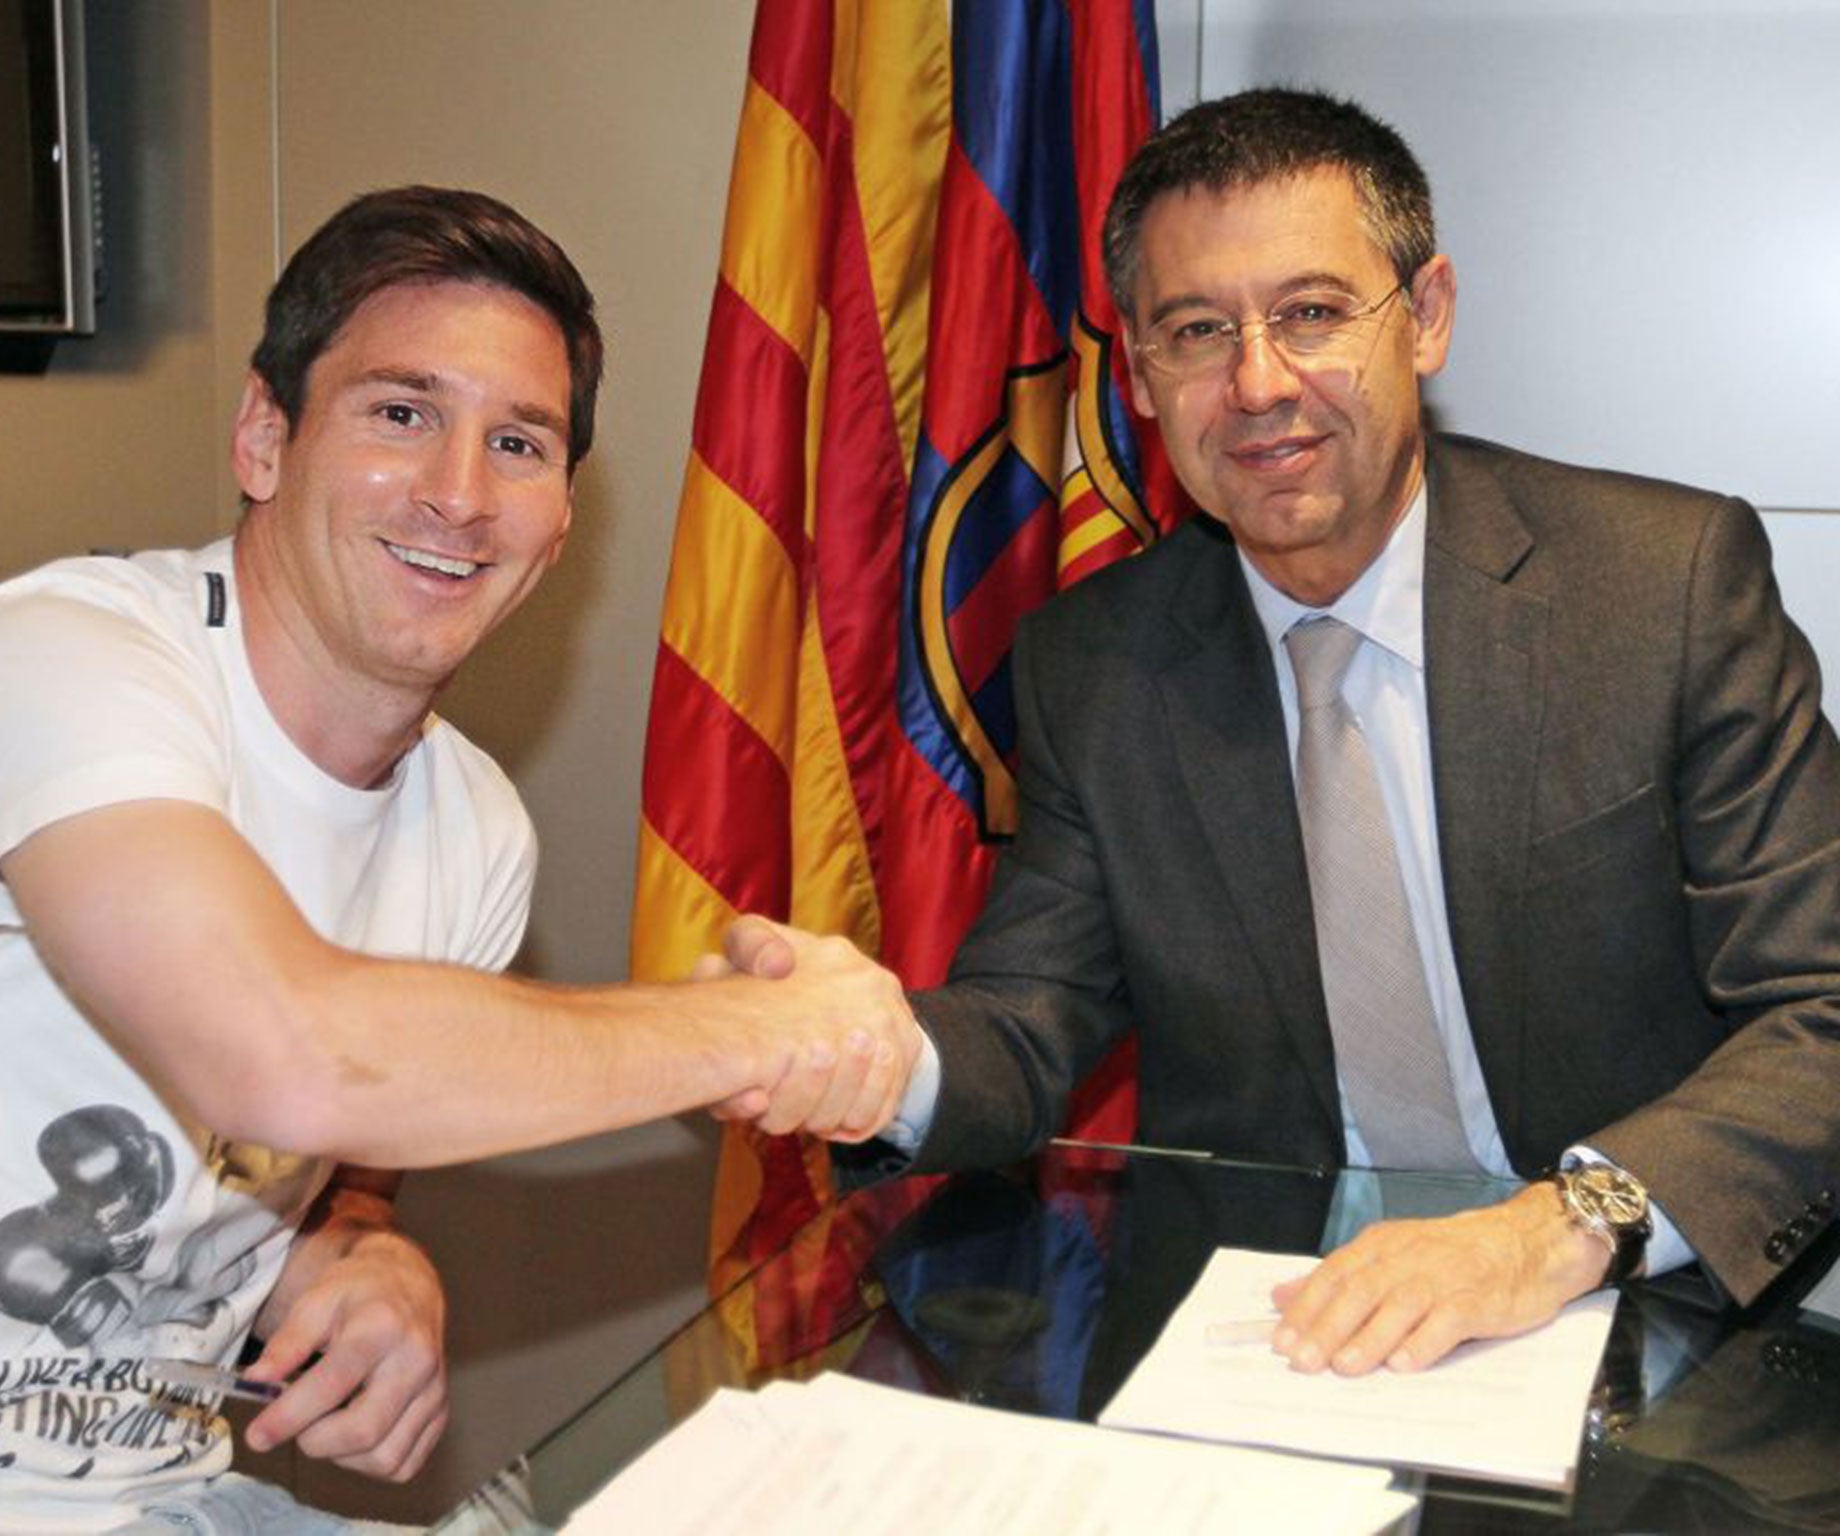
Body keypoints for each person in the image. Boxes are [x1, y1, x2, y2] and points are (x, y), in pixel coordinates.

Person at [0, 186, 919, 1533]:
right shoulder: (64, 653)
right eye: (401, 414)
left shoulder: (474, 829)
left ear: (561, 523)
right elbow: (285, 1054)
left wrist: (365, 1251)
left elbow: (347, 1142)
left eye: (519, 443)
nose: (458, 493)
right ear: (265, 438)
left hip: (166, 1498)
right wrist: (754, 1030)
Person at [730, 87, 1840, 1377]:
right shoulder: (1096, 662)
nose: (1259, 384)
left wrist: (1554, 1229)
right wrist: (877, 1053)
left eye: (1311, 313)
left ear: (1424, 320)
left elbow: (1822, 1007)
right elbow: (1028, 1020)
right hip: (1259, 1337)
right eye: (1199, 331)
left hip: (1621, 1310)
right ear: (1141, 377)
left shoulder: (1662, 589)